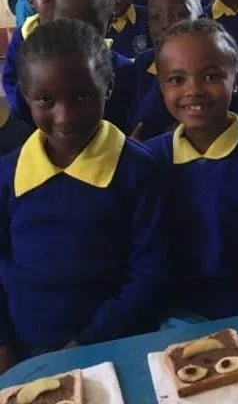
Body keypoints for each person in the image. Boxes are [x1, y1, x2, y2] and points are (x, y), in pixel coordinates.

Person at [0, 19, 167, 368]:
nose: (65, 117)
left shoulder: (137, 170)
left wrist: (86, 344)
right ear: (25, 96)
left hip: (113, 346)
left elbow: (150, 273)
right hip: (23, 349)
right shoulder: (8, 174)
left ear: (107, 87)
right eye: (46, 100)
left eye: (81, 97)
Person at [146, 19, 238, 319]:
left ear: (237, 81)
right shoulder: (149, 161)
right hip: (170, 312)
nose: (194, 91)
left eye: (211, 76)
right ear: (161, 86)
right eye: (177, 80)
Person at [51, 0, 135, 134]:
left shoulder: (125, 72)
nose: (78, 32)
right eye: (67, 22)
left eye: (89, 23)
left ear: (109, 22)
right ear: (52, 19)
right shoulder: (39, 72)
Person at [128, 0, 203, 141]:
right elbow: (136, 122)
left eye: (179, 14)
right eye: (156, 17)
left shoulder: (215, 66)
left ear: (202, 20)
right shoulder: (144, 63)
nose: (167, 24)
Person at [3, 0, 60, 122]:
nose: (55, 5)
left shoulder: (73, 30)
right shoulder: (23, 35)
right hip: (29, 111)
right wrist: (19, 104)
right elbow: (10, 76)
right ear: (32, 2)